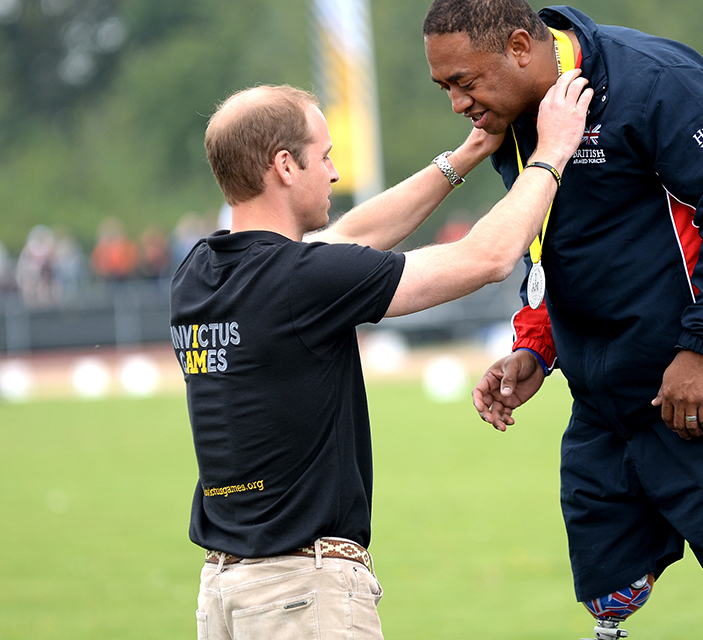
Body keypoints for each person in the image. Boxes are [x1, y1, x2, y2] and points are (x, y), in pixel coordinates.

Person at [422, 2, 703, 639]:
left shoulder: (654, 80)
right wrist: (534, 345)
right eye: (444, 87)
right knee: (608, 598)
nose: (457, 104)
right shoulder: (513, 119)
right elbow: (550, 241)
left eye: (464, 82)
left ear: (518, 48)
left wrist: (701, 349)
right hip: (604, 401)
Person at [169, 78, 591, 640]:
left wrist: (466, 155)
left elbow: (351, 237)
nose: (335, 173)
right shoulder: (302, 280)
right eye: (325, 157)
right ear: (285, 166)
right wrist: (552, 152)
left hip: (225, 595)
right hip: (301, 597)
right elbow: (488, 257)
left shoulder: (199, 273)